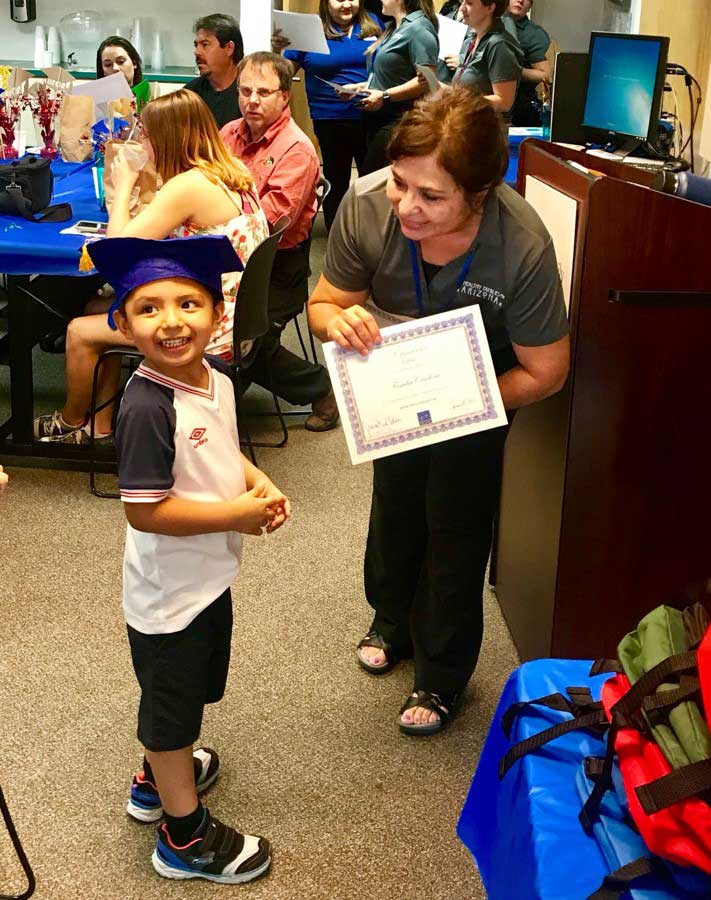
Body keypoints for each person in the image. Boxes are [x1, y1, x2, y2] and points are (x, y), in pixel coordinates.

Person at [307, 87, 570, 735]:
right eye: (401, 184)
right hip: (395, 381)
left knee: (455, 523)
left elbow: (546, 370)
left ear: (478, 194)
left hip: (479, 387)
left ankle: (441, 674)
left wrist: (462, 398)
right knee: (395, 505)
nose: (407, 207)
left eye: (432, 197)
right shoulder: (369, 210)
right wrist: (340, 323)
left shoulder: (520, 246)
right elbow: (322, 305)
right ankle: (391, 621)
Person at [87, 232, 289, 884]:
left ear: (215, 313)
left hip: (206, 577)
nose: (171, 321)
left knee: (191, 688)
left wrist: (255, 482)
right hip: (168, 594)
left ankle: (154, 778)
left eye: (187, 303)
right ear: (122, 323)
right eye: (148, 308)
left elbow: (220, 451)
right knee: (170, 709)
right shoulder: (147, 406)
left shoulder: (217, 377)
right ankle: (182, 836)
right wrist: (235, 515)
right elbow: (144, 510)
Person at [34, 89, 268, 443]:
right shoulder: (229, 170)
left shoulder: (188, 186)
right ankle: (99, 424)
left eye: (146, 134)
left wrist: (124, 183)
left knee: (79, 331)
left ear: (167, 138)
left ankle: (69, 422)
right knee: (100, 307)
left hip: (210, 331)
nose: (142, 143)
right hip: (233, 318)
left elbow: (117, 253)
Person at [220, 52, 339, 432]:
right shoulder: (227, 134)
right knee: (208, 327)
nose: (252, 100)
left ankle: (319, 387)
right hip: (226, 256)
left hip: (274, 270)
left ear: (284, 96)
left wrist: (211, 211)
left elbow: (268, 223)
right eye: (245, 91)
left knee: (241, 341)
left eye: (264, 92)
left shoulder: (296, 150)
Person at [273, 0, 382, 231]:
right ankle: (337, 234)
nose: (346, 4)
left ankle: (372, 236)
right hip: (329, 118)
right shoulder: (310, 31)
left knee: (372, 180)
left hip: (371, 115)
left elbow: (388, 66)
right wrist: (277, 51)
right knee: (337, 179)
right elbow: (283, 74)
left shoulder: (374, 24)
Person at [358, 0, 439, 175]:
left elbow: (426, 81)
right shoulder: (393, 27)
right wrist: (361, 87)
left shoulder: (419, 28)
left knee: (371, 185)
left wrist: (385, 95)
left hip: (398, 120)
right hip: (377, 118)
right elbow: (391, 75)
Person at [438, 0, 522, 118]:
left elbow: (504, 102)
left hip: (486, 130)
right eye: (462, 3)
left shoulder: (499, 44)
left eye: (469, 3)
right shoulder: (471, 40)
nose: (462, 9)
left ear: (490, 8)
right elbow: (464, 92)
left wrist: (461, 101)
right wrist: (437, 86)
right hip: (466, 125)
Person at [185, 14, 243, 129]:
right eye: (196, 45)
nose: (197, 52)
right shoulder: (190, 93)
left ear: (229, 48)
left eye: (205, 44)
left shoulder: (249, 94)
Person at [505, 0, 551, 125]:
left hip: (519, 114)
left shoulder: (534, 34)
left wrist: (510, 70)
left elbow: (546, 75)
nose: (520, 0)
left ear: (530, 5)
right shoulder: (488, 23)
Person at [96, 36, 150, 111]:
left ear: (134, 63)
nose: (115, 68)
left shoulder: (151, 97)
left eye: (121, 61)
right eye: (108, 65)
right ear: (102, 70)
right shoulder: (94, 102)